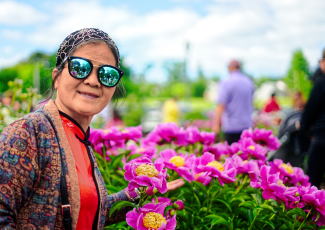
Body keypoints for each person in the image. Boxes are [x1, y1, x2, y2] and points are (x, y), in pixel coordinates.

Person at [0, 28, 184, 230]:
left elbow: (86, 211)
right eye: (79, 67)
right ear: (57, 77)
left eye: (107, 74)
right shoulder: (28, 133)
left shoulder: (80, 139)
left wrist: (140, 193)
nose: (93, 81)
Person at [298, 48, 325, 189]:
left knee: (312, 181)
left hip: (321, 138)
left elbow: (310, 110)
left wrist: (302, 126)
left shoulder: (321, 82)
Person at [213, 60, 254, 144]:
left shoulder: (227, 81)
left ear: (230, 68)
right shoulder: (248, 81)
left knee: (232, 154)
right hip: (247, 125)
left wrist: (216, 125)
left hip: (232, 126)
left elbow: (221, 105)